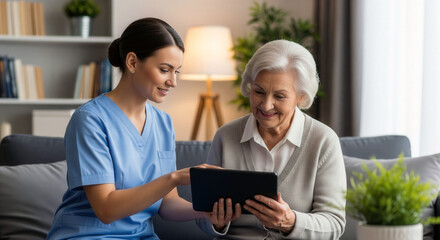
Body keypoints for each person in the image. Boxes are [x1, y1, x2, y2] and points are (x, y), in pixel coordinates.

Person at [47, 18, 228, 239]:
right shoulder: (90, 120)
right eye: (164, 70)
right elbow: (106, 209)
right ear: (132, 62)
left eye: (176, 72)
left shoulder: (163, 123)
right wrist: (174, 178)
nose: (173, 82)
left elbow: (167, 204)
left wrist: (205, 213)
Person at [197, 39, 346, 239]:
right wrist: (215, 222)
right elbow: (200, 216)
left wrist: (291, 222)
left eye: (280, 96)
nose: (266, 105)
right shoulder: (226, 136)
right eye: (259, 91)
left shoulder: (324, 141)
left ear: (301, 97)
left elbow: (334, 224)